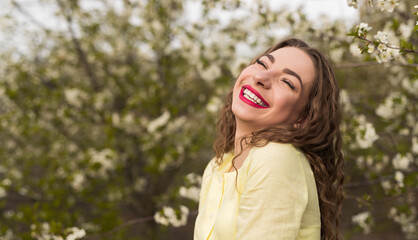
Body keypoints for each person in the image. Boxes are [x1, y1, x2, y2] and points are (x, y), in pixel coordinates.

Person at [193, 38, 344, 240]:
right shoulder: (218, 166)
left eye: (287, 82)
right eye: (262, 64)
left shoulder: (276, 157)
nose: (261, 77)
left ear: (303, 118)